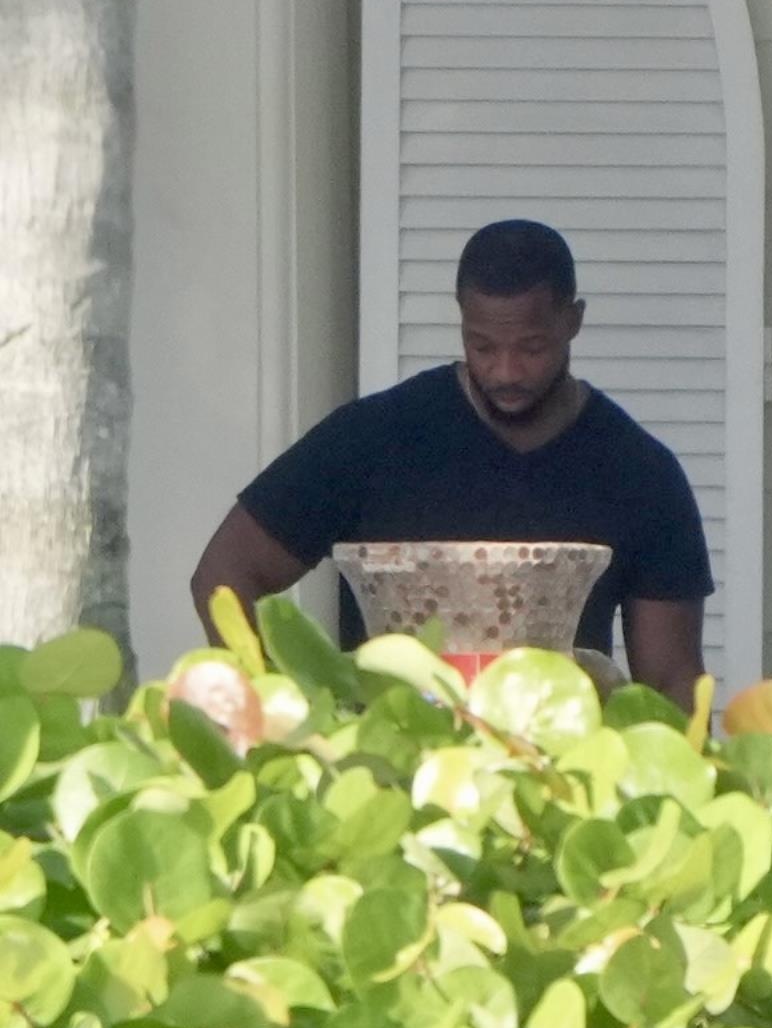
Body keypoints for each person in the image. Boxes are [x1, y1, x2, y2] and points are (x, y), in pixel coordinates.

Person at [190, 219, 712, 711]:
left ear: (572, 321)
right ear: (461, 320)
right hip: (387, 776)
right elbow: (224, 573)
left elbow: (670, 680)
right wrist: (275, 721)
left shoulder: (639, 473)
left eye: (531, 347)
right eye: (482, 345)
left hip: (556, 783)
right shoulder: (372, 439)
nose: (505, 371)